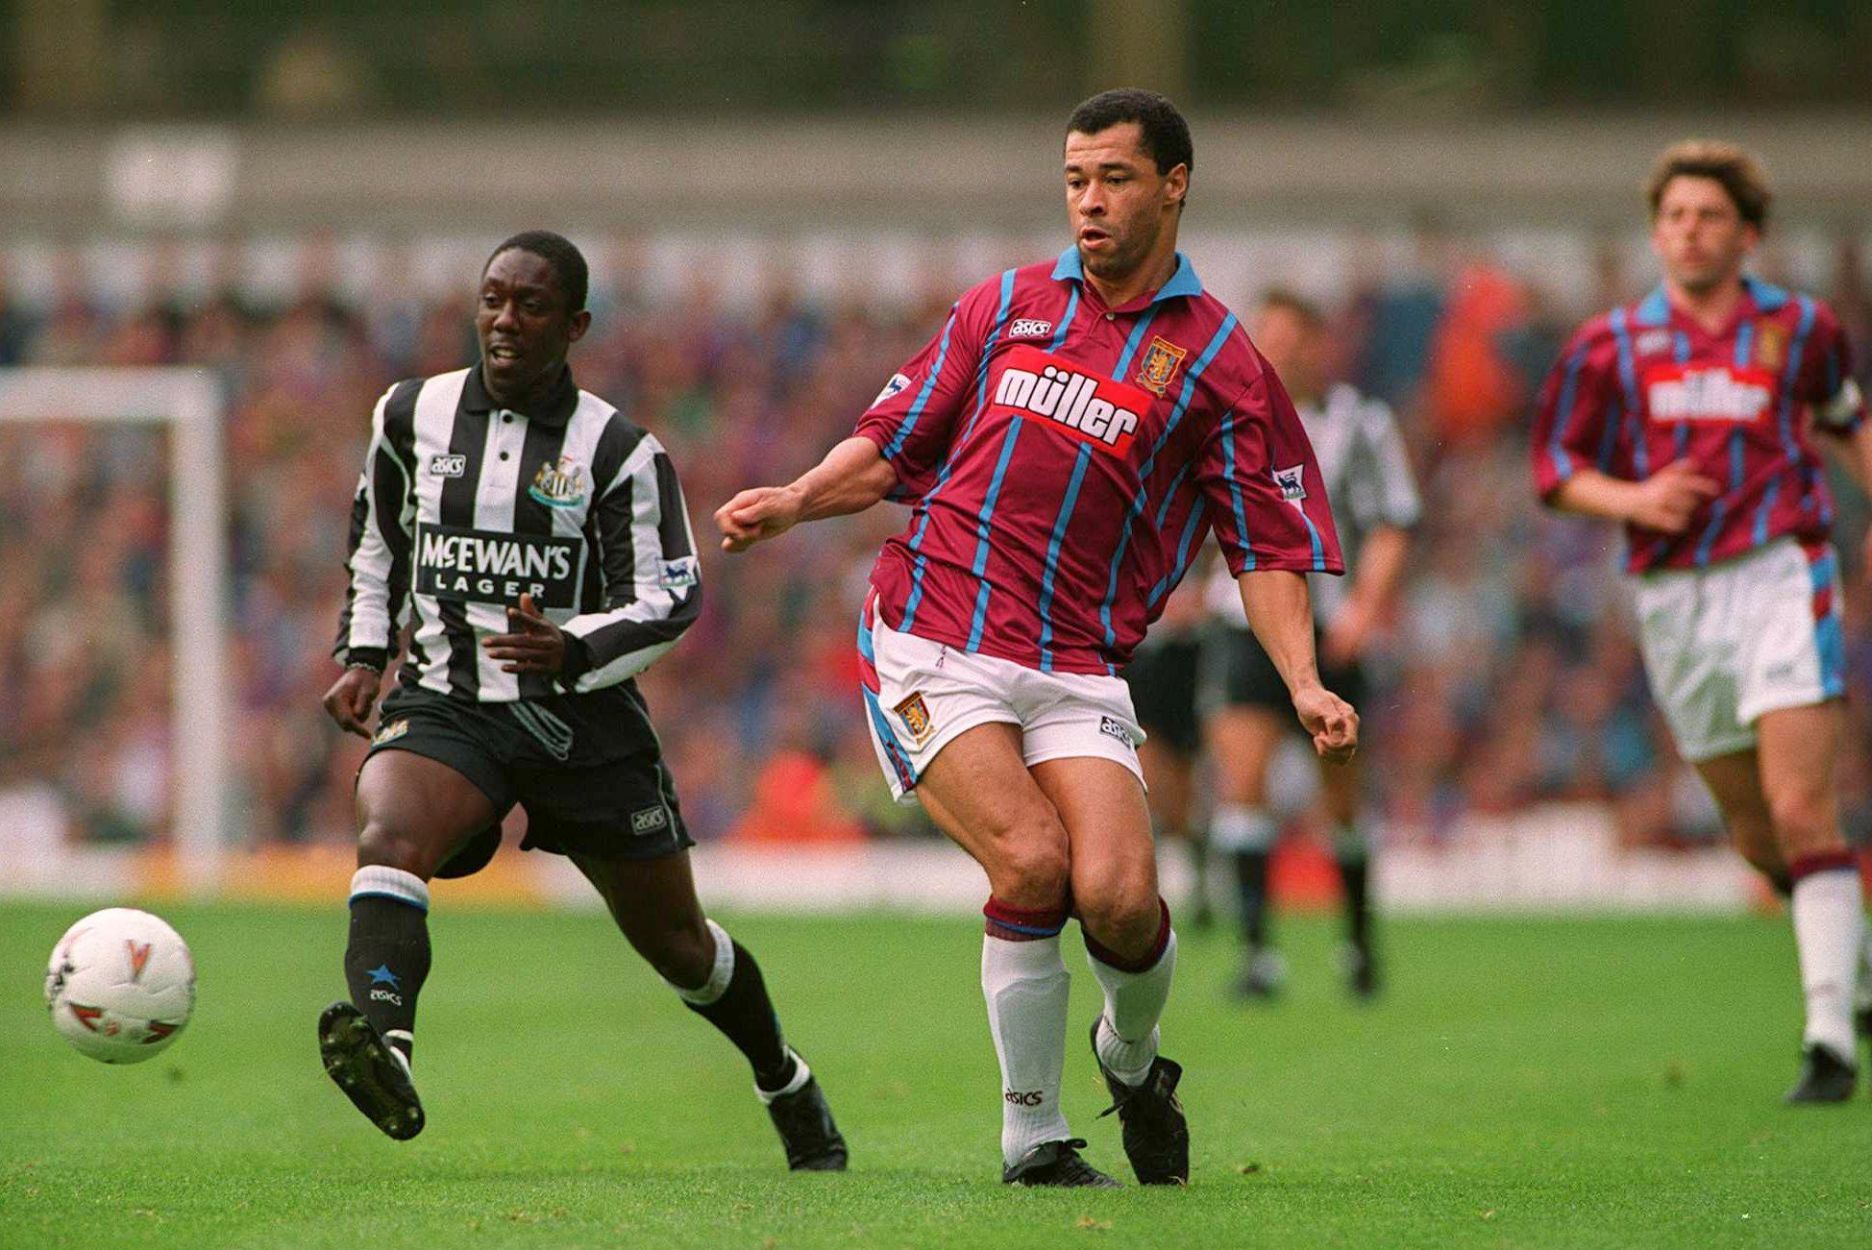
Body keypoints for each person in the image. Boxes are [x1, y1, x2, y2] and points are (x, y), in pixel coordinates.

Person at [715, 89, 1356, 1187]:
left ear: (1173, 185)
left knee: (1118, 898)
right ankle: (1034, 1137)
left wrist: (1301, 677)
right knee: (1032, 859)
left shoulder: (1223, 363)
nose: (1089, 202)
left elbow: (1265, 544)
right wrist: (797, 495)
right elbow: (891, 443)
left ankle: (1132, 1056)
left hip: (1076, 663)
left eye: (1113, 178)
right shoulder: (1006, 303)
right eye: (1074, 180)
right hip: (935, 633)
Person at [318, 231, 847, 1168]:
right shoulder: (410, 415)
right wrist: (364, 653)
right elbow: (379, 541)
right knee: (388, 835)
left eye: (528, 305)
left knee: (678, 946)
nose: (504, 321)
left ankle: (782, 1077)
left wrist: (573, 647)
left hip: (583, 723)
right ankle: (386, 1046)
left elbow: (671, 597)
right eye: (492, 299)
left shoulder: (620, 452)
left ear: (575, 325)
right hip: (451, 702)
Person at [1531, 142, 1872, 1103]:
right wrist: (1633, 497)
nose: (1688, 232)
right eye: (1673, 217)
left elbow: (1850, 417)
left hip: (1782, 572)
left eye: (1708, 217)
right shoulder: (1611, 344)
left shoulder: (1799, 327)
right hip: (1673, 598)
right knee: (1755, 837)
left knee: (1800, 809)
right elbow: (1556, 470)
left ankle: (1828, 1036)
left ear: (1746, 234)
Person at [1200, 290, 1421, 1000]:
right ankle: (1258, 955)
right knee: (1241, 784)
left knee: (1343, 797)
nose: (1278, 349)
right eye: (1267, 336)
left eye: (1292, 336)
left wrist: (1365, 606)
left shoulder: (1363, 424)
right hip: (1241, 623)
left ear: (1320, 343)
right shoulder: (1228, 419)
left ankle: (1358, 942)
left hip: (1331, 624)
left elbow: (1391, 521)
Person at [1119, 580, 1212, 929]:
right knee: (1144, 777)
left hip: (1182, 653)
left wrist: (1197, 601)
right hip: (1130, 650)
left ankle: (1193, 877)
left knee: (1179, 792)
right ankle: (1139, 889)